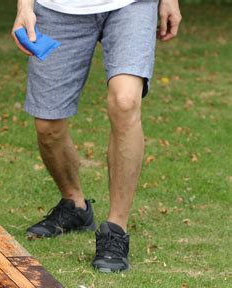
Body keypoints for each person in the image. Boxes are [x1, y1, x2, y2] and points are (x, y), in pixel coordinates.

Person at [12, 0, 181, 272]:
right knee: (47, 125)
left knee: (125, 102)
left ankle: (116, 228)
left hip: (131, 5)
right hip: (58, 9)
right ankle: (75, 204)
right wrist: (24, 7)